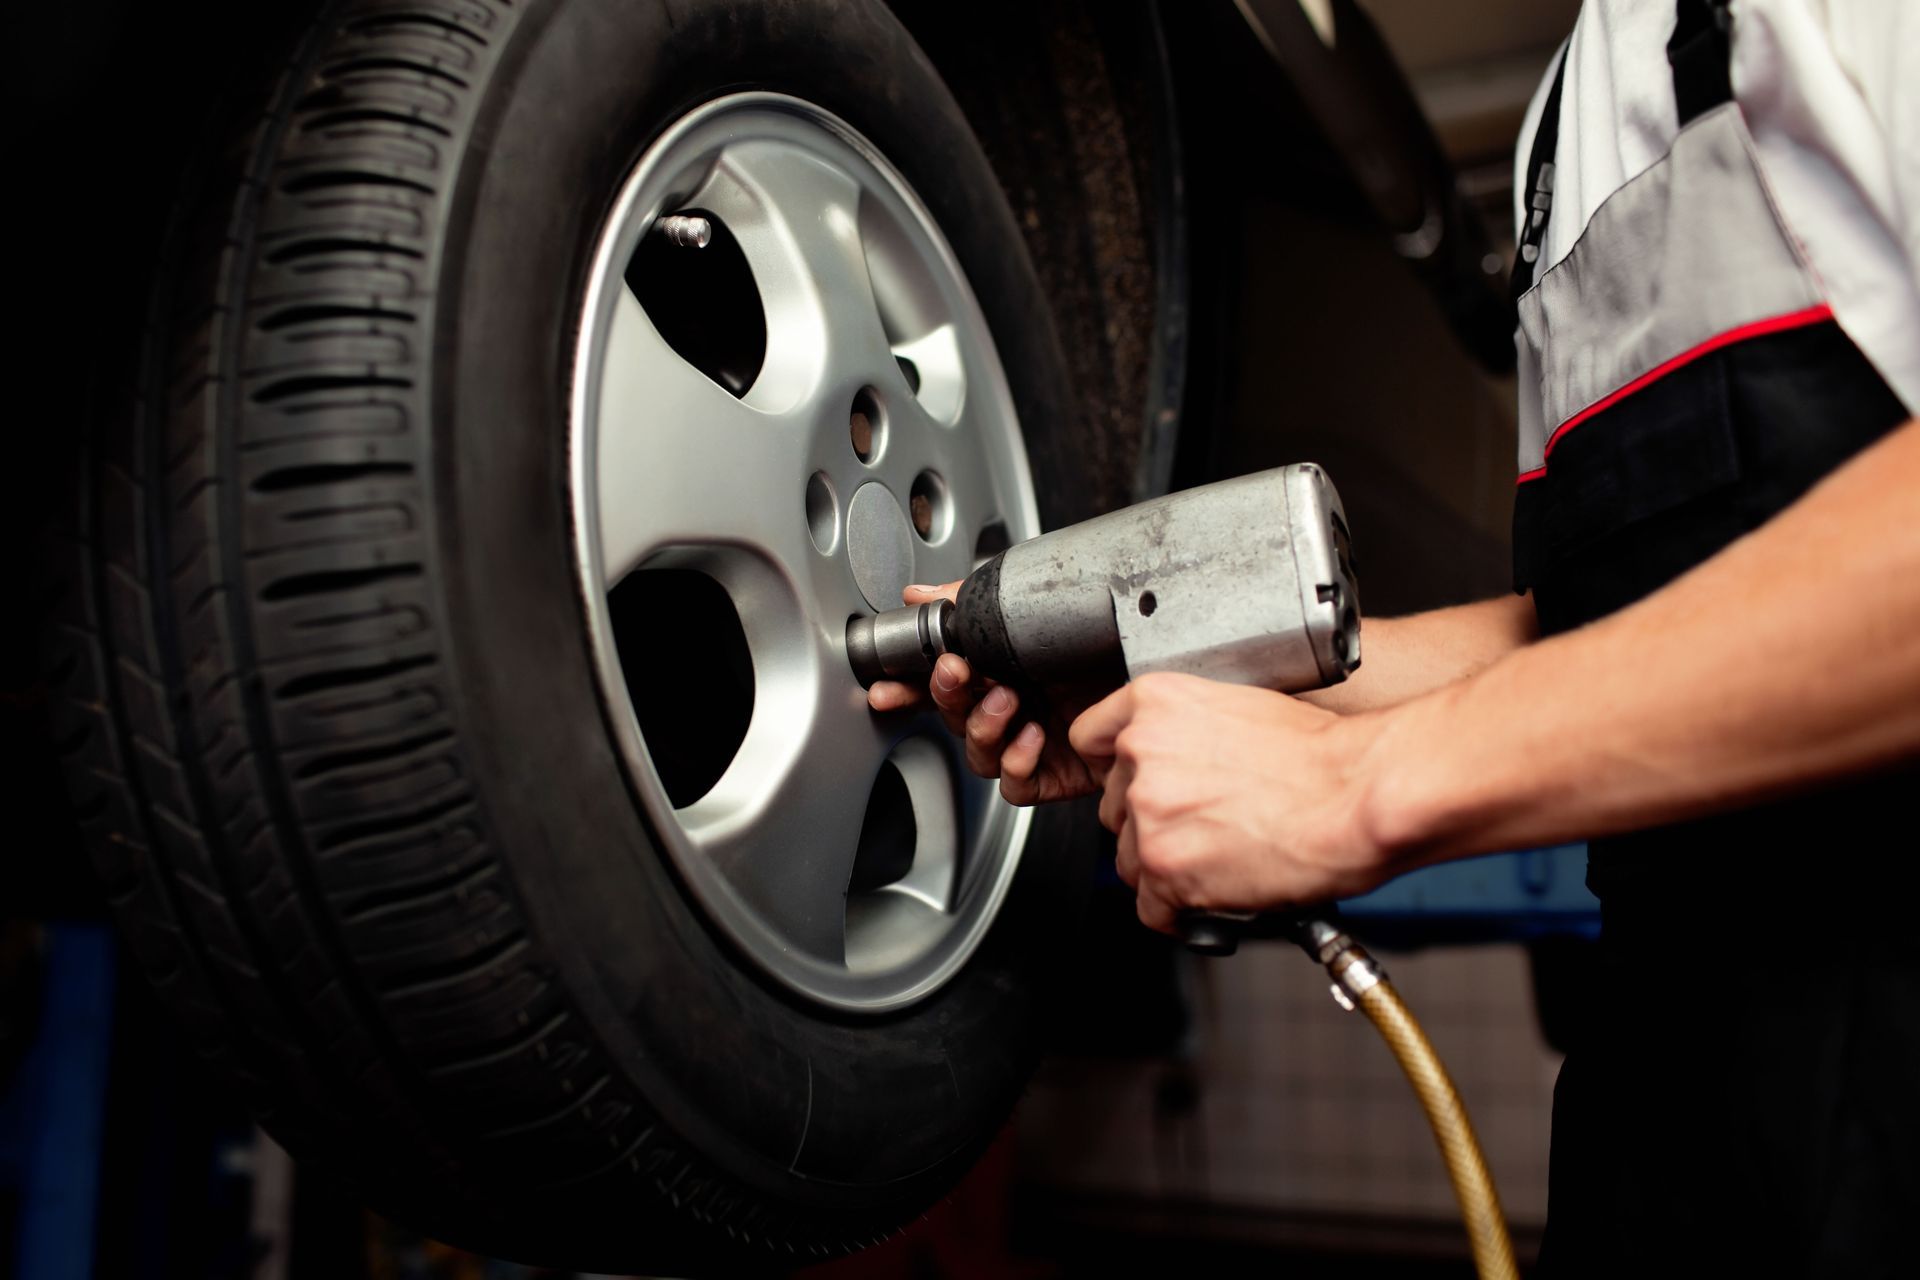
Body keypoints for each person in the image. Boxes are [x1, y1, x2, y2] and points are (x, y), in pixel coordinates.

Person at [867, 0, 1920, 1272]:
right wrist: (1176, 685)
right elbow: (1607, 629)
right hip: (1672, 1104)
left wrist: (1350, 788)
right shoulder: (1572, 113)